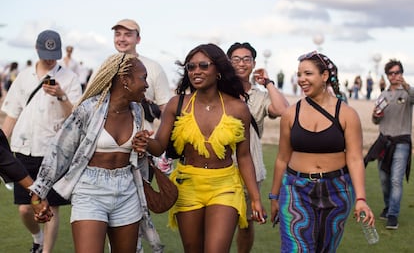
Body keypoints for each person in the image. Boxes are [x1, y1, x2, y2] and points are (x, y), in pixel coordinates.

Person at [134, 43, 267, 252]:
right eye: (191, 67)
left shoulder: (238, 107)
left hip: (225, 185)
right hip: (188, 183)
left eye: (204, 66)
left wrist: (256, 199)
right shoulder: (176, 104)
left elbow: (244, 157)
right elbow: (159, 147)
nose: (196, 71)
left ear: (219, 70)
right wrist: (144, 141)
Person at [29, 53, 149, 252]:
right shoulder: (89, 109)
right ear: (125, 80)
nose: (146, 84)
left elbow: (139, 156)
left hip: (127, 191)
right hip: (90, 190)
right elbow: (60, 150)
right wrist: (38, 192)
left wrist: (143, 148)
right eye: (143, 78)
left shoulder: (138, 111)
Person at [270, 51, 375, 252]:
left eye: (308, 74)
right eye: (299, 74)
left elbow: (354, 159)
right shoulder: (291, 113)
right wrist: (274, 197)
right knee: (296, 249)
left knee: (325, 249)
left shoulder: (347, 114)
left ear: (324, 76)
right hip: (295, 189)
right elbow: (282, 159)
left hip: (336, 190)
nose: (302, 79)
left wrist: (361, 199)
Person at [1, 30, 82, 253]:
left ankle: (46, 252)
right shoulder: (24, 77)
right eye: (46, 53)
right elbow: (12, 114)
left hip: (55, 153)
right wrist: (2, 146)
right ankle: (37, 238)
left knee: (51, 208)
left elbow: (76, 119)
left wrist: (61, 95)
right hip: (24, 150)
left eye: (54, 53)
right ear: (37, 49)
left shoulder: (70, 78)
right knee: (25, 209)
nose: (49, 58)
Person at [112, 18, 171, 252]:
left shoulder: (153, 68)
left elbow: (168, 110)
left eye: (128, 34)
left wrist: (156, 142)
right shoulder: (108, 67)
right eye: (118, 34)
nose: (122, 38)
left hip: (141, 151)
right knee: (110, 210)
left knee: (136, 209)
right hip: (110, 150)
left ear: (138, 38)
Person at [227, 42, 288, 253]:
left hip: (251, 167)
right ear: (227, 62)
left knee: (246, 223)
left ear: (253, 64)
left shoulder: (259, 96)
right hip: (221, 167)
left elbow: (282, 109)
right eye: (236, 59)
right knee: (221, 223)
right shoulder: (219, 91)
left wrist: (268, 82)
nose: (241, 63)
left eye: (246, 59)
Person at [364, 59, 414, 230]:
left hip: (402, 141)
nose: (394, 76)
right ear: (387, 76)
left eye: (397, 72)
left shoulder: (407, 92)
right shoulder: (383, 96)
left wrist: (406, 85)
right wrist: (376, 115)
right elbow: (375, 121)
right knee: (384, 179)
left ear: (401, 73)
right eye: (391, 73)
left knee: (396, 179)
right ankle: (388, 206)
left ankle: (393, 214)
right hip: (384, 141)